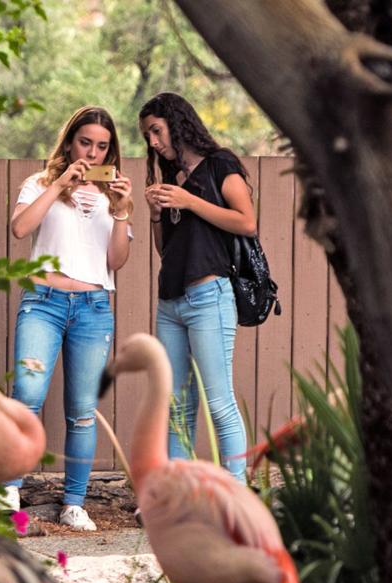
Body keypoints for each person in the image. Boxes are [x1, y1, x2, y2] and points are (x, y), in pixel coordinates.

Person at [3, 106, 134, 531]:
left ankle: (74, 502)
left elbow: (117, 260)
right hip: (43, 302)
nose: (93, 154)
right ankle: (8, 490)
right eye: (85, 143)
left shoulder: (112, 196)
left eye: (102, 146)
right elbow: (20, 229)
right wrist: (59, 181)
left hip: (93, 310)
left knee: (81, 410)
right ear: (70, 142)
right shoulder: (39, 182)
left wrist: (122, 212)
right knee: (27, 393)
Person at [138, 92, 256, 482]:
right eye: (148, 136)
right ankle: (178, 493)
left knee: (219, 403)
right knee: (177, 406)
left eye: (156, 131)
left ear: (177, 122)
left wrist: (189, 200)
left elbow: (246, 221)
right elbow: (165, 250)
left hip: (210, 297)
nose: (153, 142)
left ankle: (237, 492)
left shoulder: (221, 164)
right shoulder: (170, 178)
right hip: (170, 301)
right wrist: (157, 215)